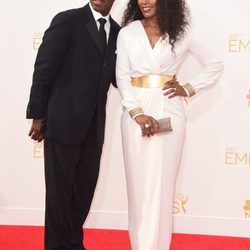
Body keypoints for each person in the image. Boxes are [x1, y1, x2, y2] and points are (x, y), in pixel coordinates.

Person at [116, 0, 223, 249]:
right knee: (138, 186)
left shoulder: (182, 33)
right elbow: (122, 76)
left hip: (170, 112)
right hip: (135, 114)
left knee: (164, 186)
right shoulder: (127, 33)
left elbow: (215, 64)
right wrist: (136, 112)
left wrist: (188, 88)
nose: (144, 1)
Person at [26, 0, 120, 249]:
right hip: (62, 122)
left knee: (83, 192)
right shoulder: (68, 21)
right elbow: (44, 68)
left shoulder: (119, 32)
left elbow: (119, 78)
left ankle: (74, 242)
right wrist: (38, 115)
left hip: (94, 127)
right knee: (59, 195)